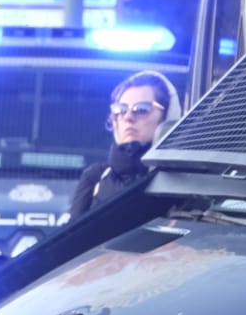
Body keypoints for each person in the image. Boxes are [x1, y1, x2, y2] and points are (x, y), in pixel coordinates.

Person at [69, 70, 181, 218]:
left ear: (167, 117)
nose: (128, 117)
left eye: (142, 109)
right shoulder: (94, 177)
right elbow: (74, 239)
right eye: (120, 109)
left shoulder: (182, 179)